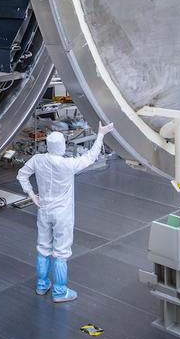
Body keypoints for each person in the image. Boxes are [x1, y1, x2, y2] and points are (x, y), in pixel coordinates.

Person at [16, 121, 114, 302]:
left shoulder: (38, 159)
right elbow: (91, 157)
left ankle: (42, 285)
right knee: (61, 252)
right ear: (61, 146)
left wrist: (32, 195)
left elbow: (21, 175)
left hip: (43, 210)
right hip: (62, 214)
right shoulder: (68, 164)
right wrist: (100, 134)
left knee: (43, 248)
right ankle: (60, 292)